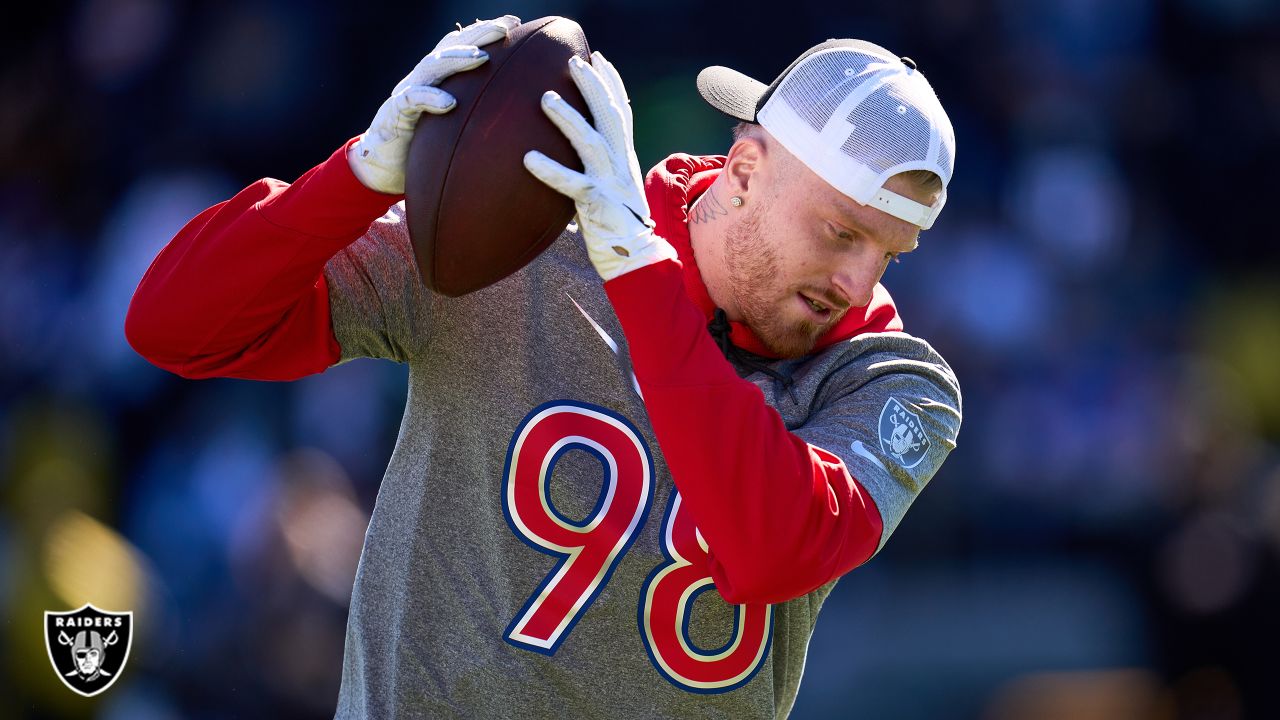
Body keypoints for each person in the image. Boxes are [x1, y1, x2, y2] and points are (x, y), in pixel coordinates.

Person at [126, 14, 961, 719]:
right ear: (744, 171)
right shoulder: (520, 246)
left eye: (891, 252)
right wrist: (352, 178)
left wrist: (639, 276)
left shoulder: (891, 381)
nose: (858, 282)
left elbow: (774, 546)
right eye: (841, 233)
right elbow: (176, 327)